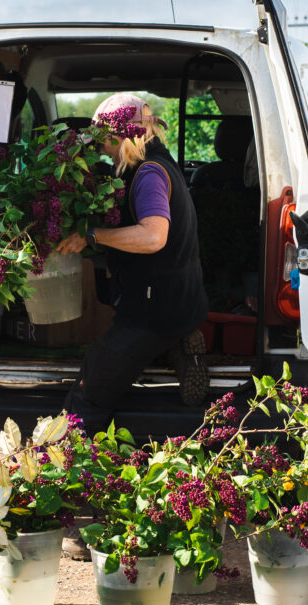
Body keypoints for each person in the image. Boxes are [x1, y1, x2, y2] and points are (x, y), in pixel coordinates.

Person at [56, 93, 208, 431]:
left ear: (122, 136)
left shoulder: (150, 174)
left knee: (92, 383)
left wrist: (92, 234)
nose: (101, 148)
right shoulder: (154, 162)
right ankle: (178, 345)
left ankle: (67, 466)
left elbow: (153, 237)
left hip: (155, 311)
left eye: (104, 140)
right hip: (179, 301)